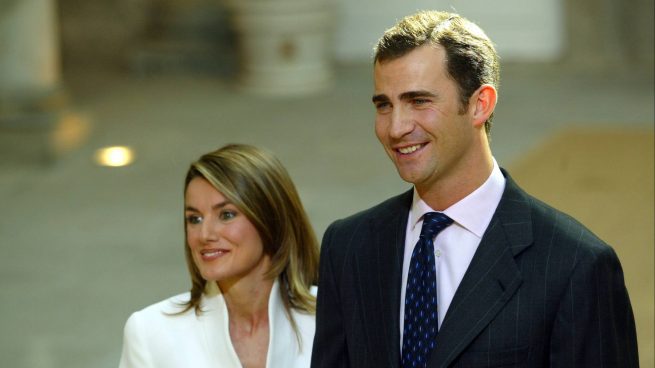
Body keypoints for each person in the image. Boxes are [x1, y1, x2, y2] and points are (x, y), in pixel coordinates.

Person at [311, 10, 638, 368]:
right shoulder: (349, 246)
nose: (396, 127)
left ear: (480, 104)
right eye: (384, 105)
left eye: (419, 101)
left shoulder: (576, 266)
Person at [120, 144, 319, 368]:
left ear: (271, 218)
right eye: (194, 219)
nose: (204, 234)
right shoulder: (150, 332)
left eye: (226, 215)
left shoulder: (333, 316)